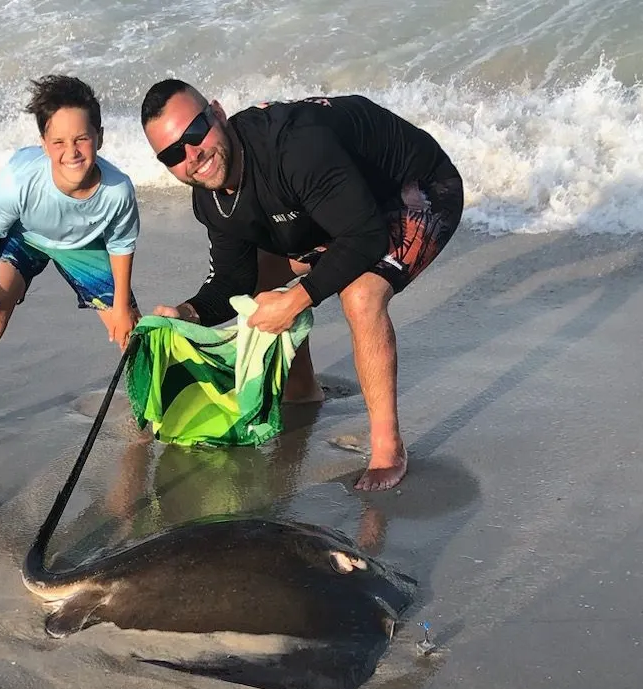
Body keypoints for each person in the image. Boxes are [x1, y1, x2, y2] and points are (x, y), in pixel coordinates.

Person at [140, 79, 464, 492]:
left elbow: (365, 237)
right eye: (172, 153)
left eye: (194, 133)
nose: (192, 155)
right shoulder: (210, 199)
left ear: (218, 115)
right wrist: (187, 312)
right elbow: (232, 281)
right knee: (263, 281)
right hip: (334, 211)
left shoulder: (294, 146)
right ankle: (303, 391)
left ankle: (387, 449)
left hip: (414, 189)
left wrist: (295, 300)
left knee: (361, 295)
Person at [0, 75, 142, 455]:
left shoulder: (118, 191)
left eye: (82, 138)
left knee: (130, 328)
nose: (72, 151)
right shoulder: (22, 178)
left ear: (100, 136)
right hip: (26, 235)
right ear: (44, 145)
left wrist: (120, 306)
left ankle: (150, 415)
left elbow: (121, 244)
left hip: (84, 247)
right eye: (59, 142)